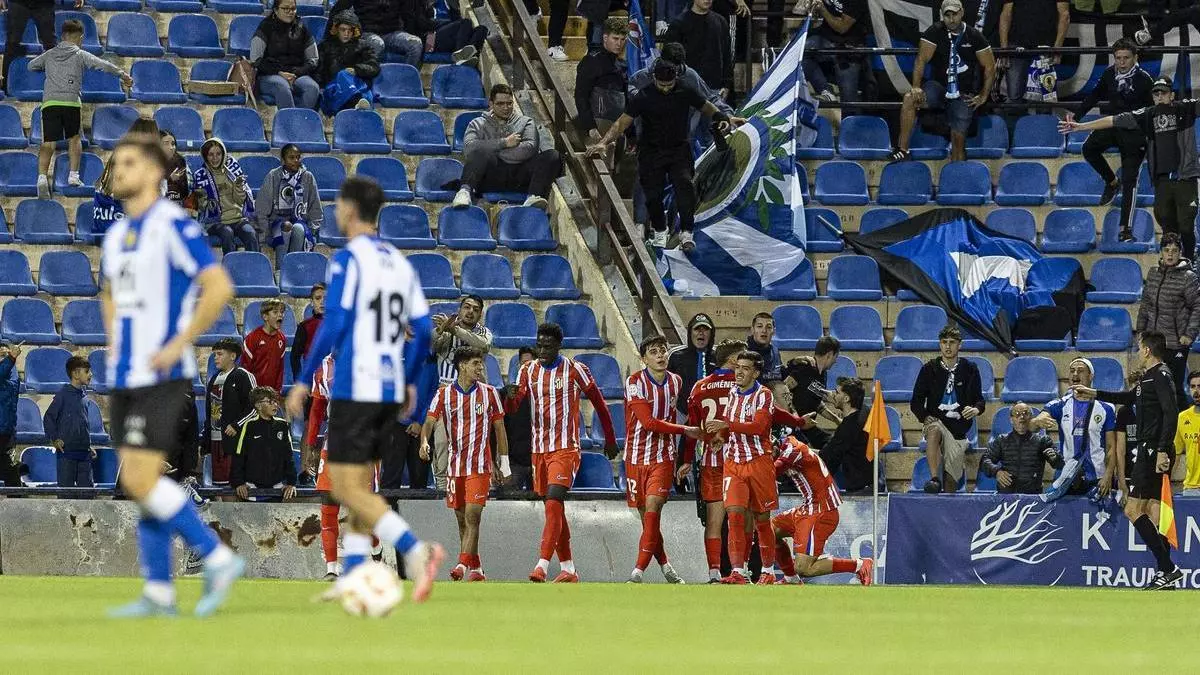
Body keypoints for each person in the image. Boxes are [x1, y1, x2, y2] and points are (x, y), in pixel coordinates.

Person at [101, 132, 243, 618]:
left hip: (163, 373)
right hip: (128, 370)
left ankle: (215, 554)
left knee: (141, 476)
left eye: (128, 162)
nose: (118, 170)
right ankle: (160, 591)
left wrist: (179, 342)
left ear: (154, 173)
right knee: (142, 481)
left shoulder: (172, 226)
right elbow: (108, 292)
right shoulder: (119, 233)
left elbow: (219, 285)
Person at [285, 175, 444, 603]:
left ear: (350, 210)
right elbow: (425, 331)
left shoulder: (348, 259)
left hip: (356, 385)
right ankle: (353, 577)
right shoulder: (399, 263)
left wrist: (303, 378)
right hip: (389, 387)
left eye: (338, 204)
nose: (336, 210)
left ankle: (416, 549)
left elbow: (333, 323)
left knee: (346, 486)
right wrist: (410, 382)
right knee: (358, 485)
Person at [586, 62, 745, 251]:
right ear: (654, 79)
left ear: (675, 79)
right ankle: (659, 231)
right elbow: (621, 123)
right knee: (652, 195)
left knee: (684, 186)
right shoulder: (643, 96)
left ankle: (686, 232)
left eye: (669, 85)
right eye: (662, 85)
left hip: (679, 150)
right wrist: (604, 141)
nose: (665, 89)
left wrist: (725, 118)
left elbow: (707, 106)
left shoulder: (686, 90)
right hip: (652, 151)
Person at [507, 323, 618, 582]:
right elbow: (514, 408)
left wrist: (610, 439)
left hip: (566, 447)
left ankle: (542, 565)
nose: (542, 350)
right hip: (539, 450)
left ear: (559, 346)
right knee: (554, 509)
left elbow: (600, 404)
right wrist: (510, 397)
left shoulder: (575, 369)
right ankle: (568, 568)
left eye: (547, 346)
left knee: (554, 502)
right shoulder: (527, 370)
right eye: (539, 345)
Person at [1073, 331, 1183, 590]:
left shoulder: (1162, 375)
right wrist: (1094, 393)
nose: (1137, 351)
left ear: (1146, 350)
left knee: (1132, 510)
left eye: (1139, 347)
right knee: (1153, 512)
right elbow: (1127, 398)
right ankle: (1165, 575)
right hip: (1149, 450)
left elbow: (1171, 413)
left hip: (1151, 451)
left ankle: (1168, 569)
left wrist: (1163, 450)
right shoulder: (1149, 378)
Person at [1059, 78, 1200, 260]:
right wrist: (1081, 127)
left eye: (1163, 92)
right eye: (1156, 93)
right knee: (1167, 227)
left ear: (1172, 95)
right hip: (1162, 180)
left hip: (1185, 177)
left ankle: (1189, 259)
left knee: (1187, 224)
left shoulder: (1185, 108)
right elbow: (1115, 120)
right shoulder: (1147, 114)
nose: (1159, 96)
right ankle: (1172, 265)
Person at [420, 346, 509, 582]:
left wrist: (504, 463)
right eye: (475, 364)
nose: (480, 368)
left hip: (479, 466)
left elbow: (499, 428)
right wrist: (424, 442)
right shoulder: (444, 395)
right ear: (461, 366)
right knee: (461, 518)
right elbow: (429, 421)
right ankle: (476, 568)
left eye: (481, 363)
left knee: (473, 515)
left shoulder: (490, 394)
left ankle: (461, 564)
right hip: (455, 465)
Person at [624, 335, 700, 584]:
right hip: (636, 456)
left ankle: (637, 571)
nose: (660, 356)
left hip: (663, 457)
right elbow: (648, 422)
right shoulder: (634, 382)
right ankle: (666, 566)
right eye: (654, 352)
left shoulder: (676, 381)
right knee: (648, 520)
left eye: (663, 351)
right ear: (644, 358)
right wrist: (684, 430)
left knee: (654, 509)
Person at [28, 19, 132, 200]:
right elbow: (103, 64)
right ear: (81, 38)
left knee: (48, 143)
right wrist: (122, 75)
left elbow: (31, 66)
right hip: (71, 102)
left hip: (50, 102)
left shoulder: (50, 54)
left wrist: (47, 68)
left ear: (62, 36)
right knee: (74, 138)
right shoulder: (80, 54)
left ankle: (42, 177)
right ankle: (73, 176)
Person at [704, 350, 779, 584]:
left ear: (756, 373)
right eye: (738, 367)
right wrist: (721, 435)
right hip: (734, 463)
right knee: (734, 514)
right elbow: (732, 427)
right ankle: (738, 571)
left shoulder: (764, 395)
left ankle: (768, 571)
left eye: (746, 368)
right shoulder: (733, 393)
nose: (739, 372)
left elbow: (758, 427)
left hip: (759, 462)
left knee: (762, 518)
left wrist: (726, 424)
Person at [889, 0, 996, 163]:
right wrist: (916, 87)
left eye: (955, 14)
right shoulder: (935, 32)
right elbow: (921, 60)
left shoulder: (974, 36)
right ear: (942, 15)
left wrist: (983, 95)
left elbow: (989, 66)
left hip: (963, 92)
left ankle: (955, 177)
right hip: (938, 88)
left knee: (958, 144)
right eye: (947, 15)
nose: (951, 19)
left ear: (962, 13)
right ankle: (903, 149)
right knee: (910, 98)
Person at [1068, 38, 1153, 239]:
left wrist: (1150, 138)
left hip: (1135, 133)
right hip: (1112, 126)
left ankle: (1126, 229)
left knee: (1131, 178)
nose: (1122, 62)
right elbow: (1093, 96)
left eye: (1126, 58)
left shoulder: (1145, 80)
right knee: (1088, 148)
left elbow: (1152, 111)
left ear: (1135, 58)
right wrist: (1076, 116)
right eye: (1118, 58)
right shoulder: (1108, 74)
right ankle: (1112, 182)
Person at [771, 433, 873, 585]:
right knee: (770, 531)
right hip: (809, 507)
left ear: (774, 446)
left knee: (804, 568)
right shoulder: (787, 446)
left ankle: (859, 564)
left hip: (822, 511)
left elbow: (767, 474)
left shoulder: (793, 450)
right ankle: (790, 578)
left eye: (767, 453)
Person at [682, 339, 742, 582]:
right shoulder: (744, 386)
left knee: (714, 520)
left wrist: (686, 460)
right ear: (733, 361)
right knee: (742, 518)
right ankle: (741, 569)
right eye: (742, 359)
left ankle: (714, 572)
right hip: (740, 458)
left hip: (711, 459)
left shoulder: (700, 387)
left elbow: (692, 428)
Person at [454, 83, 562, 211]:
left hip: (520, 176)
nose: (506, 107)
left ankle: (533, 196)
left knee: (552, 155)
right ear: (491, 104)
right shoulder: (477, 123)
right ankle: (465, 191)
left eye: (509, 103)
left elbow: (529, 148)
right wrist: (504, 143)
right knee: (479, 153)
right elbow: (469, 148)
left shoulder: (526, 122)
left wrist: (493, 149)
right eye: (500, 104)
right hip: (491, 176)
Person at [910, 324, 985, 493]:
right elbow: (916, 401)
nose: (948, 346)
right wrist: (924, 416)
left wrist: (975, 410)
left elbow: (979, 400)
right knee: (934, 430)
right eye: (944, 342)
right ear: (939, 344)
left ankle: (945, 506)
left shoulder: (970, 369)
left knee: (951, 483)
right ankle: (934, 478)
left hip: (959, 429)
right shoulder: (929, 369)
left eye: (952, 342)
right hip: (937, 420)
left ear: (960, 345)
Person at [1032, 358, 1117, 498]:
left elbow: (1111, 446)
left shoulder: (1106, 408)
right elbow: (1035, 423)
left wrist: (1108, 475)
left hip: (1097, 477)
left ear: (1091, 376)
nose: (1075, 374)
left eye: (1081, 370)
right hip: (1068, 477)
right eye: (1072, 371)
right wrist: (1037, 420)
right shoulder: (1060, 404)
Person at [628, 42, 736, 146]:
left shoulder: (690, 77)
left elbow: (710, 99)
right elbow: (627, 105)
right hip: (649, 145)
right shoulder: (641, 78)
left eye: (676, 71)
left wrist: (726, 116)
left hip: (682, 145)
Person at [1134, 233, 1200, 400]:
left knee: (1174, 389)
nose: (1170, 254)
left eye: (1175, 250)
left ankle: (1181, 425)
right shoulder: (1153, 273)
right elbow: (1145, 305)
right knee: (1152, 388)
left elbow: (1198, 306)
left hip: (1176, 344)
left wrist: (1189, 334)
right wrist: (1141, 333)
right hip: (1154, 344)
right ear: (1161, 252)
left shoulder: (1188, 277)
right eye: (1166, 250)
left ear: (1180, 253)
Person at [192, 138, 259, 254]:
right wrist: (201, 199)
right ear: (205, 156)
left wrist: (238, 187)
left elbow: (240, 201)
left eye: (218, 154)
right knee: (227, 232)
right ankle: (229, 268)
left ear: (223, 154)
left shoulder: (233, 170)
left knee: (250, 234)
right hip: (215, 222)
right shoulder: (200, 176)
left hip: (238, 219)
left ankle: (255, 268)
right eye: (211, 155)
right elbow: (201, 208)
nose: (215, 158)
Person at [231, 387, 297, 502]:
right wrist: (239, 483)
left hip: (277, 488)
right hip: (251, 489)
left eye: (275, 401)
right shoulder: (249, 426)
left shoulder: (282, 426)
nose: (275, 405)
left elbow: (289, 456)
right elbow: (239, 455)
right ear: (258, 405)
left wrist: (291, 483)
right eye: (270, 402)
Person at [255, 144, 321, 261]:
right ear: (283, 160)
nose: (296, 161)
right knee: (286, 225)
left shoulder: (308, 177)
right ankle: (281, 270)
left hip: (301, 223)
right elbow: (261, 208)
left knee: (299, 228)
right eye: (291, 157)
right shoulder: (274, 175)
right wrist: (265, 233)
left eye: (298, 157)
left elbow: (315, 208)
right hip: (275, 224)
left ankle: (288, 269)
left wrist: (313, 229)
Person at [252, 0, 321, 110]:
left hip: (296, 74)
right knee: (282, 86)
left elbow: (313, 59)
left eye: (293, 9)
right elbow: (256, 59)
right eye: (286, 9)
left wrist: (297, 72)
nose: (290, 12)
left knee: (312, 88)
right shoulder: (265, 27)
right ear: (276, 10)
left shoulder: (302, 28)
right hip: (270, 74)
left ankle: (300, 122)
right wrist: (279, 73)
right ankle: (290, 124)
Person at [997, 0, 1069, 103]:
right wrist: (1004, 49)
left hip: (1045, 48)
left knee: (1045, 98)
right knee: (1014, 97)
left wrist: (1057, 48)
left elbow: (1064, 16)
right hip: (1017, 47)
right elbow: (1005, 14)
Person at [205, 338, 256, 485]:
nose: (216, 358)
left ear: (233, 356)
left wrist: (236, 425)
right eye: (215, 354)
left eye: (220, 354)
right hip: (215, 440)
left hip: (235, 441)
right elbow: (209, 410)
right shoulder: (214, 378)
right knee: (220, 486)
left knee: (236, 485)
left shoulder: (243, 375)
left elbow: (254, 407)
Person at [801, 0, 871, 104]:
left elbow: (842, 27)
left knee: (849, 100)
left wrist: (823, 10)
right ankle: (825, 90)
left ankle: (851, 118)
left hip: (849, 48)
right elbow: (801, 10)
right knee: (802, 51)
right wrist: (810, 7)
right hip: (826, 37)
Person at [982, 402, 1061, 494]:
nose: (1021, 417)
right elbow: (985, 461)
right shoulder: (1002, 440)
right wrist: (997, 472)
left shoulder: (1042, 440)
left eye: (1025, 413)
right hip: (1006, 495)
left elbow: (1059, 464)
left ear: (1031, 418)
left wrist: (1055, 458)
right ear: (1011, 419)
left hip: (1032, 496)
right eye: (1017, 414)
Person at [780, 335, 842, 448]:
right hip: (793, 427)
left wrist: (836, 419)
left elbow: (816, 402)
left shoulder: (823, 374)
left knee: (833, 446)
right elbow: (783, 391)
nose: (835, 361)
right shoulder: (805, 367)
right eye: (835, 357)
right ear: (829, 354)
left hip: (809, 427)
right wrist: (797, 420)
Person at [663, 0, 734, 99]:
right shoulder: (679, 24)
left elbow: (727, 55)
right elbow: (669, 58)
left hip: (715, 88)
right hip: (687, 88)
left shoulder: (720, 21)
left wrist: (726, 85)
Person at [574, 18, 629, 145]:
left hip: (618, 123)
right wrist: (590, 126)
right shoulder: (592, 61)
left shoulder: (621, 64)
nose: (619, 43)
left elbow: (626, 97)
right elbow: (581, 95)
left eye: (622, 39)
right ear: (605, 38)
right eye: (615, 38)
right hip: (599, 122)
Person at [43, 355, 94, 488]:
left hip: (84, 454)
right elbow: (48, 418)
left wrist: (87, 445)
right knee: (66, 496)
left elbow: (82, 424)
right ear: (76, 374)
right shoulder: (62, 395)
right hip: (67, 454)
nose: (91, 374)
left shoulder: (84, 397)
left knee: (87, 495)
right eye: (87, 371)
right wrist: (55, 439)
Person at [2, 0, 73, 95]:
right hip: (17, 2)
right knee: (12, 42)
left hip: (44, 4)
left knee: (50, 43)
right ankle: (6, 87)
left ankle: (60, 87)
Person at [316, 11, 380, 115]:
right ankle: (356, 101)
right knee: (343, 74)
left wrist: (357, 70)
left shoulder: (364, 47)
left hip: (358, 86)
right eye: (343, 30)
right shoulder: (325, 47)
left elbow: (374, 67)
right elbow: (317, 71)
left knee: (364, 90)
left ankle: (356, 101)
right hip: (334, 90)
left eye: (350, 30)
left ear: (355, 31)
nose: (346, 33)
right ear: (336, 29)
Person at [817, 377, 871, 493]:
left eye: (837, 392)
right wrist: (834, 398)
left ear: (846, 398)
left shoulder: (847, 428)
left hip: (858, 488)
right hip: (871, 480)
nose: (833, 394)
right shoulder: (865, 410)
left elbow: (827, 457)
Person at [328, 0, 423, 66]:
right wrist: (329, 38)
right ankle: (366, 83)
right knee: (377, 43)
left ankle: (405, 84)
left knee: (415, 43)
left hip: (392, 32)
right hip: (365, 32)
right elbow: (337, 11)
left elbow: (409, 16)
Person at [397, 0, 488, 66]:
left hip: (432, 34)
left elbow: (429, 21)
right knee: (465, 23)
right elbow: (422, 25)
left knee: (482, 29)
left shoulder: (421, 5)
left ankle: (465, 55)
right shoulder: (408, 5)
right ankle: (460, 55)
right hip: (427, 42)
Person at [503, 347, 536, 491]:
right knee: (506, 505)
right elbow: (499, 429)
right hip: (515, 463)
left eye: (530, 363)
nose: (526, 367)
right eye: (523, 364)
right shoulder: (506, 393)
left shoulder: (548, 395)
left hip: (539, 460)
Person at [242, 299, 289, 394]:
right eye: (275, 312)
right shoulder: (252, 338)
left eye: (282, 312)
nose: (280, 315)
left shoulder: (282, 339)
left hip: (272, 393)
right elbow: (245, 369)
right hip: (254, 393)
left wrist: (277, 391)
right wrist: (250, 392)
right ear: (265, 316)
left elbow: (280, 368)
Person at [0, 342, 22, 488]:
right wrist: (11, 358)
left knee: (12, 471)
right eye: (2, 355)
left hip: (8, 431)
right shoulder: (8, 366)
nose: (5, 358)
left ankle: (17, 506)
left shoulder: (12, 373)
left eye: (6, 355)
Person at [1175, 371, 1200, 496]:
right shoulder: (1183, 417)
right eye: (1193, 386)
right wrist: (1166, 481)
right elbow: (1177, 454)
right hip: (1191, 488)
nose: (1196, 391)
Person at [745, 312, 781, 384]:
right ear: (752, 330)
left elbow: (779, 373)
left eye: (768, 327)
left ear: (773, 331)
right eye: (759, 326)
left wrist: (794, 362)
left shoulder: (775, 351)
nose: (764, 331)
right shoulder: (744, 351)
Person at [160, 131, 191, 208]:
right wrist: (170, 180)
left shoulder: (180, 161)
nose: (171, 147)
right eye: (166, 143)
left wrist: (183, 181)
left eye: (173, 144)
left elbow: (186, 193)